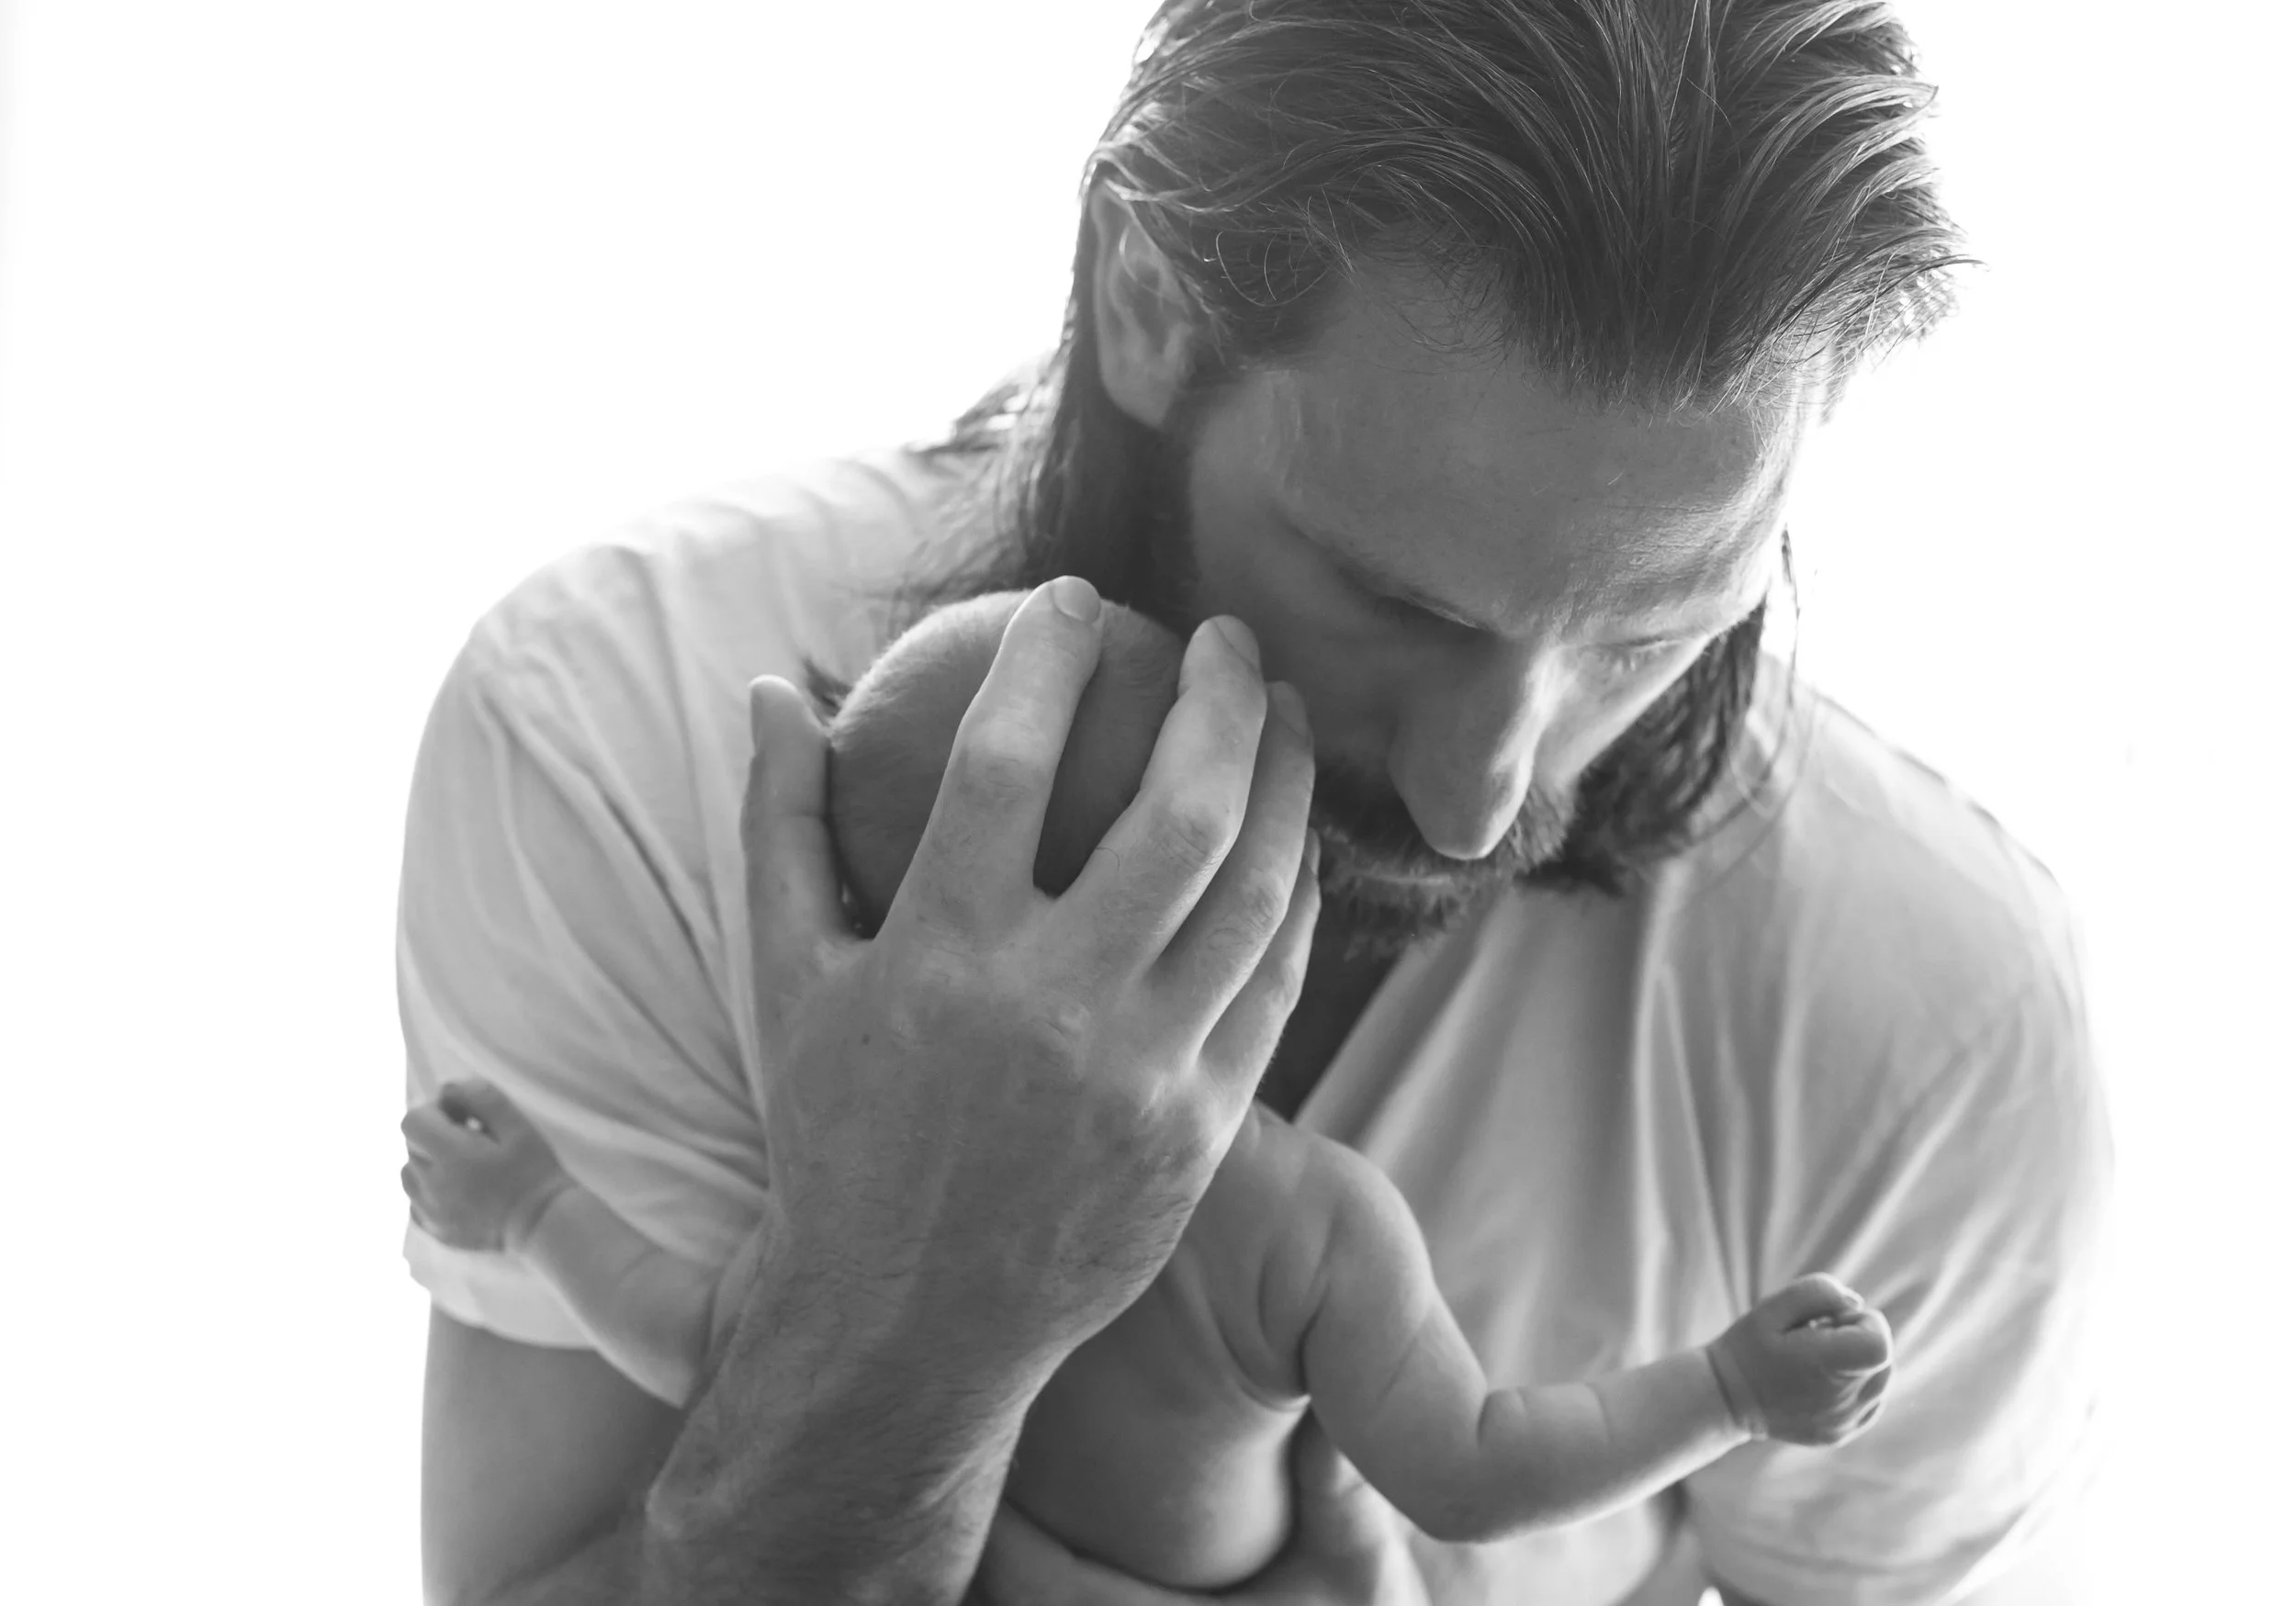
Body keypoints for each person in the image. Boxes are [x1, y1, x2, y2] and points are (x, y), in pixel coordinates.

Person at [396, 3, 2111, 1603]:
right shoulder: (620, 724)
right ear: (1148, 299)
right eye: (1400, 604)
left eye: (1654, 635)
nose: (1476, 799)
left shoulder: (1938, 1016)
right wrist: (910, 1320)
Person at [401, 590, 1896, 1591]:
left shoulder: (851, 1194)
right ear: (1267, 905)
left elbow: (683, 1329)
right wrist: (1719, 1392)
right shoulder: (1302, 1227)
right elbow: (1476, 1469)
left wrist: (531, 1208)